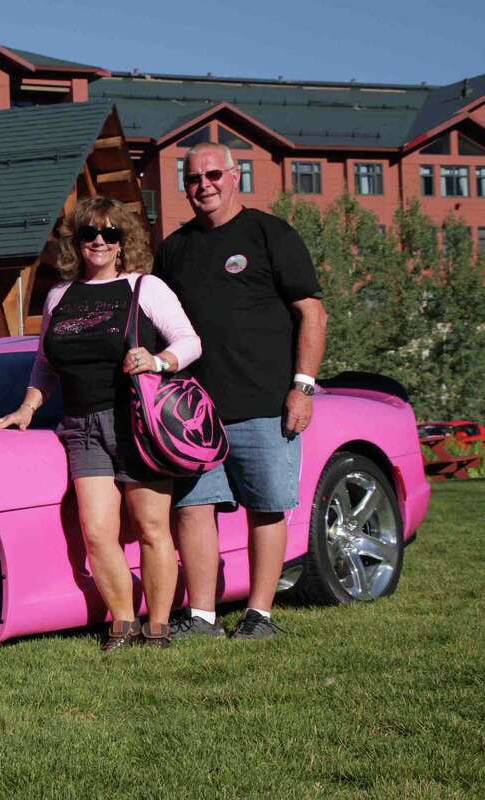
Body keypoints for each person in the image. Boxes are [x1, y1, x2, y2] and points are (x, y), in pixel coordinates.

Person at [0, 196, 202, 650]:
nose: (100, 242)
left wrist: (158, 360)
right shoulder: (59, 296)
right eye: (90, 234)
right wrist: (27, 408)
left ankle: (159, 626)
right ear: (76, 242)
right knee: (98, 533)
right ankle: (123, 625)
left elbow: (190, 341)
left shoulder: (144, 288)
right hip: (81, 426)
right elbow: (45, 365)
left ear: (124, 243)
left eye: (111, 234)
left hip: (136, 423)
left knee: (150, 528)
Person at [154, 142, 328, 640]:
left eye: (213, 175)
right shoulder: (175, 248)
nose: (203, 185)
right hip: (193, 412)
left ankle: (259, 615)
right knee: (193, 508)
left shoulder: (271, 234)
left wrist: (303, 388)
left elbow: (312, 313)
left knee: (266, 506)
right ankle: (203, 617)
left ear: (235, 177)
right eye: (192, 179)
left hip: (265, 404)